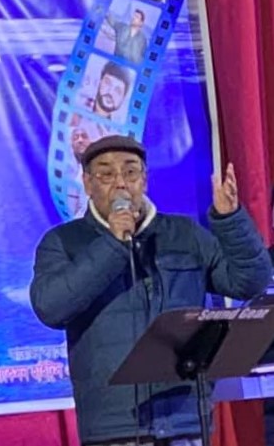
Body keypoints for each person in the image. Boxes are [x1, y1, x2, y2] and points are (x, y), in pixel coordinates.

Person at [30, 135, 271, 446]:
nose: (120, 183)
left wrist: (230, 221)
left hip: (185, 421)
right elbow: (50, 307)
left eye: (130, 172)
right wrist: (114, 244)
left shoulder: (184, 234)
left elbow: (249, 283)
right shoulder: (63, 242)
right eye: (106, 174)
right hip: (114, 428)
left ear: (144, 180)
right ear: (88, 184)